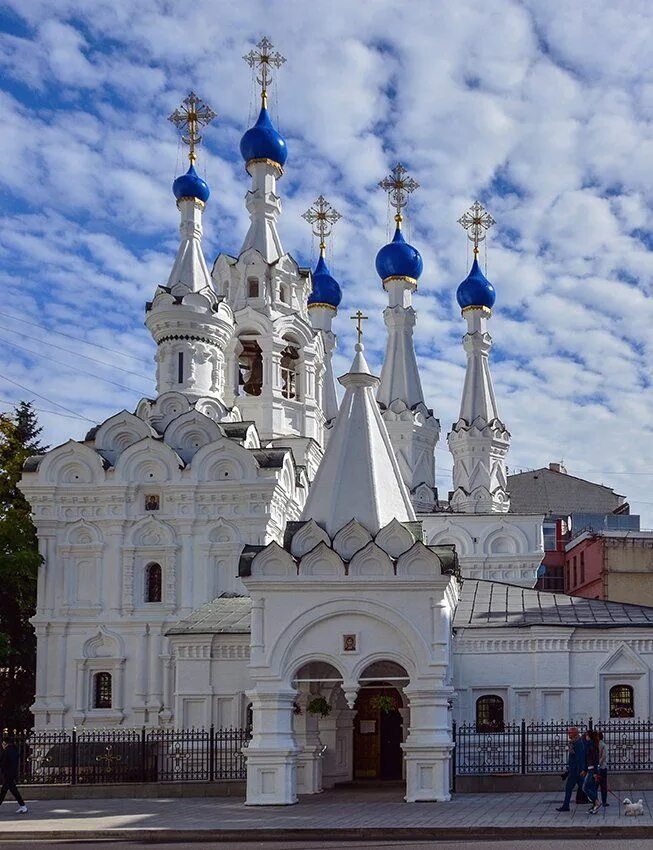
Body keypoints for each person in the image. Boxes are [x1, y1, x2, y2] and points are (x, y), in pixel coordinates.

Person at [556, 726, 587, 812]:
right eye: (568, 732)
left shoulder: (578, 743)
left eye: (570, 733)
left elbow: (580, 758)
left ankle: (566, 806)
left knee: (570, 788)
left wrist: (580, 770)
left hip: (576, 771)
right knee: (584, 787)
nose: (568, 734)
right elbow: (573, 758)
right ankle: (596, 801)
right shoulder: (573, 742)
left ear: (575, 733)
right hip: (574, 770)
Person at [0, 737, 28, 814]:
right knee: (12, 790)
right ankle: (23, 806)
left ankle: (23, 806)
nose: (2, 745)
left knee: (4, 791)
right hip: (12, 773)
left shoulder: (6, 751)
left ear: (5, 743)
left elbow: (2, 762)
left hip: (7, 773)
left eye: (2, 744)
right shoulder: (14, 750)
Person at [583, 730, 601, 814]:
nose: (585, 737)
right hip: (590, 769)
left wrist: (595, 773)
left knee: (585, 787)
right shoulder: (591, 744)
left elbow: (595, 759)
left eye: (586, 735)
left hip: (592, 770)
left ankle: (597, 802)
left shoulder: (591, 745)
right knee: (593, 788)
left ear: (589, 736)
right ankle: (595, 806)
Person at [597, 730, 609, 807]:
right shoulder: (603, 745)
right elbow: (604, 756)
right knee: (603, 786)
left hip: (596, 767)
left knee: (595, 785)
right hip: (603, 767)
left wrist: (597, 764)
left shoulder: (595, 744)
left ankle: (595, 800)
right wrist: (599, 763)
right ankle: (604, 801)